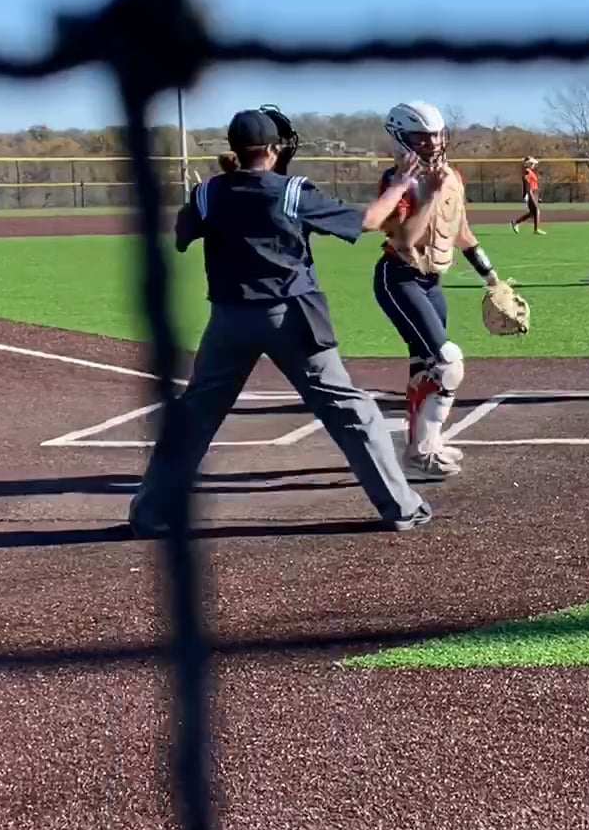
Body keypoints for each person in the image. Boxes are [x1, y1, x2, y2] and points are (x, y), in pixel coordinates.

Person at [128, 108, 431, 535]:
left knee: (194, 416)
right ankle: (400, 507)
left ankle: (149, 513)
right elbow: (366, 221)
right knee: (350, 411)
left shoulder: (209, 192)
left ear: (234, 149)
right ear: (272, 150)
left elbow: (181, 238)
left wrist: (214, 200)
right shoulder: (291, 190)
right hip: (291, 316)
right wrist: (399, 184)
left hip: (229, 321)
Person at [374, 101, 514, 478]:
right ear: (401, 138)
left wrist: (491, 277)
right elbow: (404, 239)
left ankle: (421, 448)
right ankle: (422, 452)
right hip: (399, 278)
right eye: (422, 138)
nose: (433, 144)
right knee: (448, 364)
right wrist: (429, 195)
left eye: (436, 136)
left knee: (425, 367)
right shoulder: (396, 181)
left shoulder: (452, 177)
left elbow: (463, 232)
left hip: (432, 282)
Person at [511, 157, 543, 234]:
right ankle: (536, 229)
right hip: (531, 192)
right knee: (536, 211)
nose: (533, 165)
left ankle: (516, 222)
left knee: (532, 213)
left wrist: (537, 197)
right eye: (532, 164)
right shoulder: (527, 172)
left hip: (534, 193)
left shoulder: (530, 172)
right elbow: (526, 183)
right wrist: (527, 194)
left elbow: (533, 183)